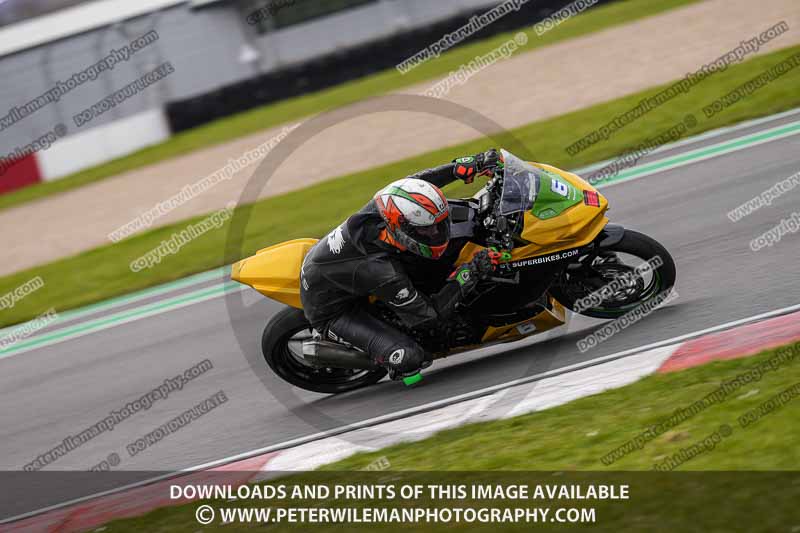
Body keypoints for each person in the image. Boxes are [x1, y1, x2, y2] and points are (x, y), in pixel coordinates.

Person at [299, 149, 503, 381]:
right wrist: (471, 271)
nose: (436, 232)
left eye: (438, 225)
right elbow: (430, 316)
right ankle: (381, 358)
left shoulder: (387, 203)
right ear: (401, 228)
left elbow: (415, 183)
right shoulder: (384, 273)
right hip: (334, 310)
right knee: (411, 358)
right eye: (427, 230)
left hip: (336, 270)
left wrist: (462, 167)